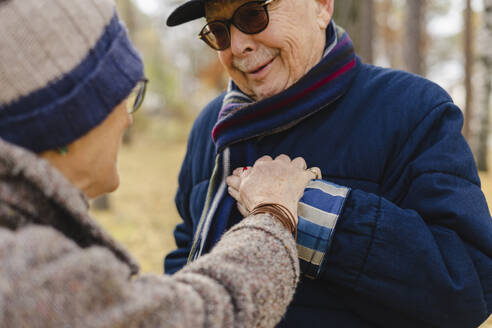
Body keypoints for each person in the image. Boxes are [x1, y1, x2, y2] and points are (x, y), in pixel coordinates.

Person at [164, 0, 492, 327]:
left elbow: (468, 285)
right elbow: (185, 250)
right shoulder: (211, 126)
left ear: (321, 7)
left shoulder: (414, 110)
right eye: (219, 32)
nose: (238, 45)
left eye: (253, 15)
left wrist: (308, 211)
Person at [0, 0, 325, 326]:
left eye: (253, 15)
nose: (128, 119)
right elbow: (198, 312)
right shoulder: (24, 278)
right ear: (67, 124)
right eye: (126, 97)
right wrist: (275, 213)